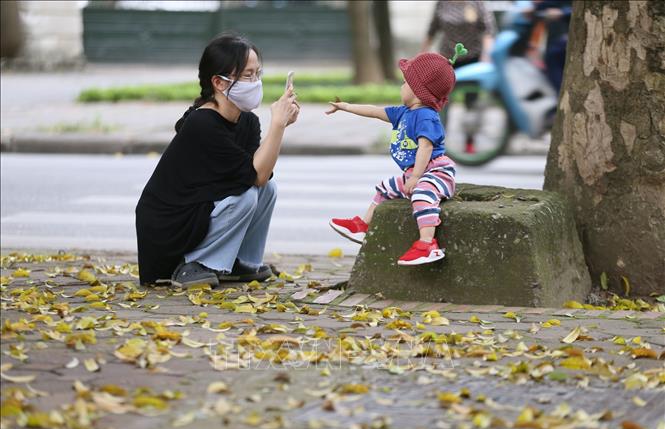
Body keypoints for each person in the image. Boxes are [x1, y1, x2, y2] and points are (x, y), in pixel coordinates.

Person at [135, 33, 299, 288]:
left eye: (258, 74)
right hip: (169, 226)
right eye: (247, 76)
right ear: (219, 83)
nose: (255, 82)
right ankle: (193, 264)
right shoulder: (203, 124)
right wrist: (277, 125)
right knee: (245, 195)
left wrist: (280, 126)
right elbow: (255, 175)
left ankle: (235, 262)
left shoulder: (247, 120)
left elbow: (261, 175)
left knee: (266, 190)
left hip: (198, 211)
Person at [326, 49, 463, 266]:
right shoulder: (404, 113)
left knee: (422, 195)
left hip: (436, 172)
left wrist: (417, 177)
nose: (402, 87)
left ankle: (428, 244)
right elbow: (375, 111)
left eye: (405, 83)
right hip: (416, 173)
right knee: (385, 187)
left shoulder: (427, 116)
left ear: (418, 91)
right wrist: (346, 107)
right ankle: (363, 226)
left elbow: (425, 147)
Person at [421, 0, 496, 67]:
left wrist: (486, 57)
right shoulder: (442, 3)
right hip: (447, 58)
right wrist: (421, 56)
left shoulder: (477, 3)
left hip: (473, 58)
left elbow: (488, 31)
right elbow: (432, 30)